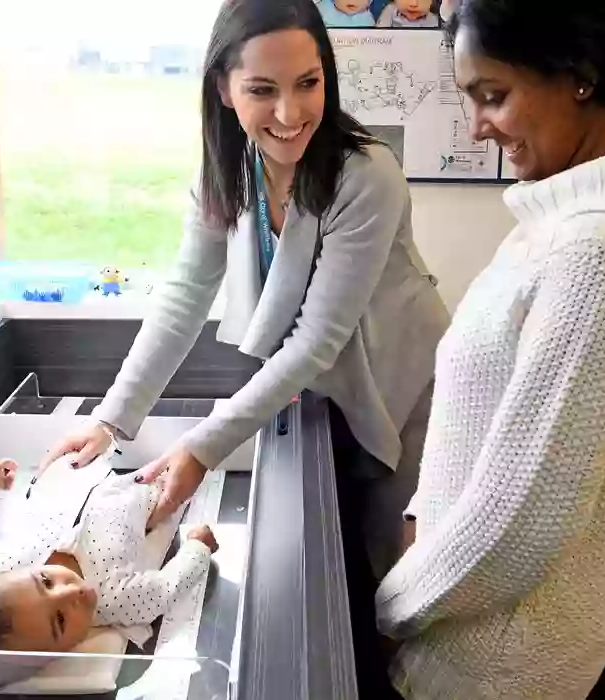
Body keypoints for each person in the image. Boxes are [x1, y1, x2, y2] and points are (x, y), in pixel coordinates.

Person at [43, 0, 449, 695]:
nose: (290, 113)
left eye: (308, 83)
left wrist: (201, 448)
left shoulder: (366, 174)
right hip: (320, 389)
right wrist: (113, 419)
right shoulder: (225, 174)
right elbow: (183, 295)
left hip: (399, 392)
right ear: (224, 91)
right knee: (354, 575)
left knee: (401, 583)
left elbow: (315, 339)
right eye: (263, 90)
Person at [374, 1, 605, 698]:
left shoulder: (604, 251)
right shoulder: (557, 214)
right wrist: (420, 516)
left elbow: (524, 522)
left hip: (494, 653)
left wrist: (389, 606)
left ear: (581, 78)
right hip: (465, 610)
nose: (476, 127)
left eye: (492, 96)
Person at [0, 457, 219, 689]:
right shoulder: (114, 598)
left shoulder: (5, 566)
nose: (70, 592)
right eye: (60, 620)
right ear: (63, 652)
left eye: (46, 581)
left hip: (86, 461)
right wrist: (198, 547)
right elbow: (165, 589)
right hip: (154, 476)